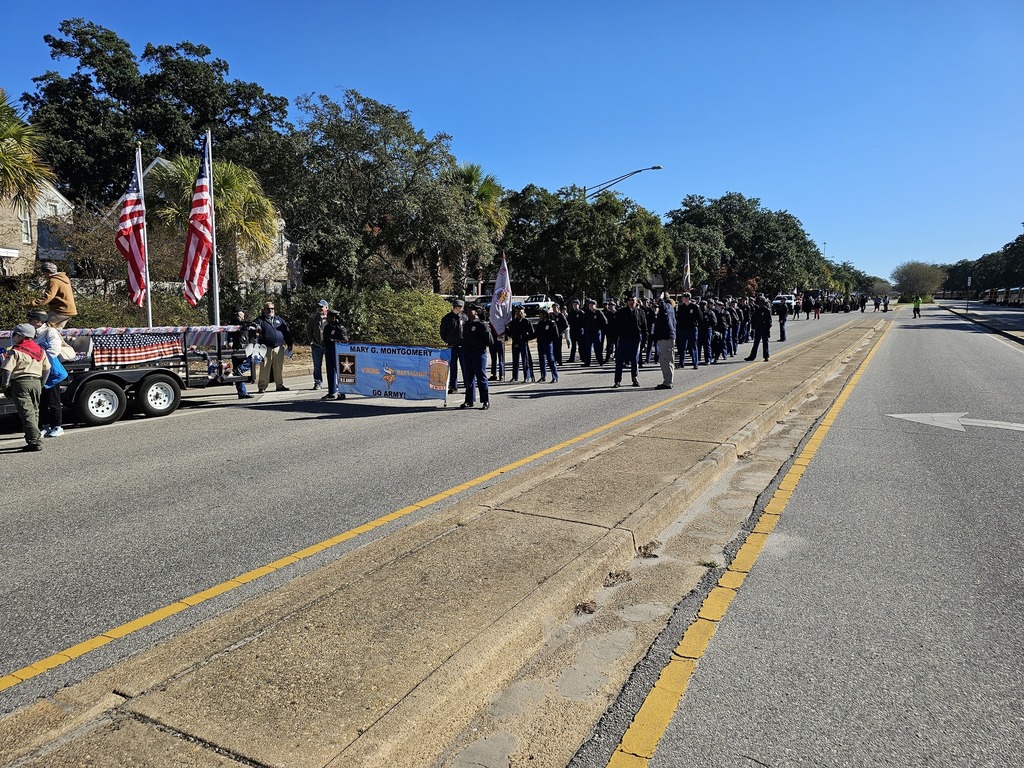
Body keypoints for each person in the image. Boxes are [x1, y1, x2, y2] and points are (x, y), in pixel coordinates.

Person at [2, 323, 51, 451]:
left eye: (14, 335)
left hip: (20, 383)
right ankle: (32, 438)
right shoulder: (40, 351)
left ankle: (35, 441)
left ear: (20, 336)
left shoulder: (15, 350)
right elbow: (47, 369)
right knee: (34, 411)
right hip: (36, 383)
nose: (13, 337)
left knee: (26, 413)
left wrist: (5, 386)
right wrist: (41, 383)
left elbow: (7, 370)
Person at [27, 309, 67, 435]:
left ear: (39, 321)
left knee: (53, 400)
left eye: (30, 319)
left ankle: (57, 426)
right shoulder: (31, 333)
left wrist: (38, 358)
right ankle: (44, 426)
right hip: (37, 370)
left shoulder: (50, 331)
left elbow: (54, 349)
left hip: (50, 370)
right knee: (41, 400)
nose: (28, 321)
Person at [253, 301, 293, 393]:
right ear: (264, 310)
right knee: (265, 368)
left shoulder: (279, 320)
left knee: (278, 368)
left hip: (278, 348)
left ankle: (279, 385)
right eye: (268, 309)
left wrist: (289, 344)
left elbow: (286, 332)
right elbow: (255, 335)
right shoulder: (259, 321)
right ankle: (262, 386)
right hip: (265, 348)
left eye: (272, 309)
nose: (270, 310)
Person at [460, 305, 493, 409]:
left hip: (479, 354)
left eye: (471, 311)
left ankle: (485, 401)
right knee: (468, 378)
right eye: (468, 310)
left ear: (477, 312)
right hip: (468, 353)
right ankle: (469, 400)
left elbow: (490, 341)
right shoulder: (466, 325)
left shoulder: (482, 325)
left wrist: (478, 344)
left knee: (481, 377)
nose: (469, 312)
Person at [612, 296, 647, 388]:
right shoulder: (621, 312)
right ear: (627, 302)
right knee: (619, 361)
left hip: (635, 340)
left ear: (636, 302)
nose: (631, 302)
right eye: (629, 300)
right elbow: (615, 326)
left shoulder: (641, 313)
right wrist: (615, 339)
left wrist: (644, 342)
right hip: (623, 339)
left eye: (633, 300)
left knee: (635, 360)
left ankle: (635, 379)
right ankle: (617, 381)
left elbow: (644, 328)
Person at [30, 261, 77, 329]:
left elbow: (47, 297)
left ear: (47, 272)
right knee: (55, 332)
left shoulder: (53, 281)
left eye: (44, 273)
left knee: (43, 328)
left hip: (61, 310)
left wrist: (31, 304)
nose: (44, 275)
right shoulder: (64, 278)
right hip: (69, 310)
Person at [439, 299, 466, 393]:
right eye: (461, 307)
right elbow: (443, 332)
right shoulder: (447, 318)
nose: (462, 309)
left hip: (463, 346)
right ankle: (453, 386)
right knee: (453, 367)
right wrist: (448, 340)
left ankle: (467, 385)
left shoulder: (464, 317)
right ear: (456, 307)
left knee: (465, 366)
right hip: (452, 346)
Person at [228, 307, 255, 399]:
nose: (244, 313)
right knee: (257, 358)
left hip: (241, 348)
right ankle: (241, 369)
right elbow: (237, 326)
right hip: (240, 349)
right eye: (242, 312)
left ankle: (242, 392)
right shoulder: (235, 322)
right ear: (237, 313)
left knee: (237, 371)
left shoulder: (240, 323)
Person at [321, 309, 349, 400]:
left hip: (337, 352)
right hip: (328, 351)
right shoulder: (327, 327)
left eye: (329, 317)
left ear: (333, 318)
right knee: (330, 372)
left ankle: (342, 392)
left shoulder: (340, 328)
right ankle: (331, 392)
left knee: (340, 372)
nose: (327, 319)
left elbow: (345, 342)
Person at [652, 293, 676, 390]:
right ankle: (668, 381)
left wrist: (660, 299)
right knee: (666, 360)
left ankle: (668, 382)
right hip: (665, 338)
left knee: (666, 361)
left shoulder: (667, 307)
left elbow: (664, 309)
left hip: (666, 338)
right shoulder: (669, 308)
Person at [306, 299, 330, 390]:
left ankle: (333, 383)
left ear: (326, 308)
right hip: (316, 345)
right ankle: (318, 382)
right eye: (318, 307)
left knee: (331, 365)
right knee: (317, 366)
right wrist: (311, 341)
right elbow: (308, 329)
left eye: (321, 307)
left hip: (328, 345)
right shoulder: (313, 318)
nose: (319, 309)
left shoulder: (331, 317)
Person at [507, 306, 535, 382]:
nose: (518, 313)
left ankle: (527, 376)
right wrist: (507, 330)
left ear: (523, 312)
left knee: (525, 360)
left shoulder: (526, 321)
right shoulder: (513, 322)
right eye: (516, 312)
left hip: (523, 342)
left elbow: (532, 333)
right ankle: (515, 376)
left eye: (520, 312)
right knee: (515, 360)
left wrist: (526, 338)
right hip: (515, 342)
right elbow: (510, 332)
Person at [675, 292, 701, 370]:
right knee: (682, 347)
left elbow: (699, 318)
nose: (682, 299)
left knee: (693, 346)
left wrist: (695, 324)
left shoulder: (695, 307)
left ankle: (695, 363)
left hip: (692, 329)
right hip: (683, 329)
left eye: (683, 297)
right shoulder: (680, 307)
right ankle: (681, 363)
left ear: (687, 298)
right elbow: (678, 318)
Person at [534, 308, 560, 383]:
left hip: (548, 344)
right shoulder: (540, 323)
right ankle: (543, 376)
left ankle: (554, 377)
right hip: (540, 344)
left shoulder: (551, 323)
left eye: (541, 314)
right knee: (542, 361)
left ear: (545, 314)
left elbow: (556, 335)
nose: (539, 315)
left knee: (551, 360)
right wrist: (526, 338)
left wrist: (552, 341)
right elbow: (536, 334)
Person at [744, 296, 772, 362]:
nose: (759, 304)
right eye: (759, 303)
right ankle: (752, 356)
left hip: (764, 328)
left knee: (765, 343)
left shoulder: (767, 310)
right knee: (756, 343)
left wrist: (768, 330)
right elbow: (754, 319)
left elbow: (769, 321)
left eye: (761, 303)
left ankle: (766, 356)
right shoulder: (757, 310)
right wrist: (753, 328)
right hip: (758, 328)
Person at [581, 299, 607, 366]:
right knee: (588, 348)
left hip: (596, 333)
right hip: (588, 333)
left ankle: (600, 361)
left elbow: (605, 321)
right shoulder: (586, 313)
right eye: (590, 305)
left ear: (595, 305)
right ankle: (587, 362)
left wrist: (600, 328)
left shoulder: (598, 312)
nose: (591, 306)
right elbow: (583, 322)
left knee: (597, 348)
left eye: (592, 305)